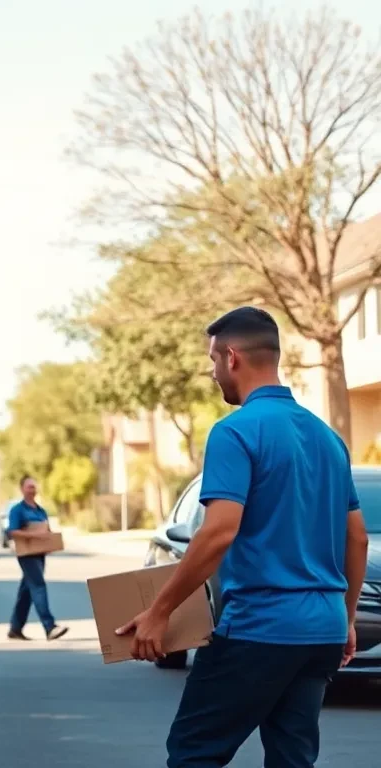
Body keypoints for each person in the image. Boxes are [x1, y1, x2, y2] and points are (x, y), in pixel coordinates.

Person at [117, 306, 370, 768]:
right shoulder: (328, 438)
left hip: (261, 628)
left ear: (232, 357)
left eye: (213, 361)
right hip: (323, 631)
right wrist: (347, 618)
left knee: (195, 751)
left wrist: (159, 612)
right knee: (293, 759)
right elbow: (357, 540)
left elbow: (218, 533)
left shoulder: (235, 432)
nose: (213, 373)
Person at [5, 476, 69, 641]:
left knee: (26, 591)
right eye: (29, 487)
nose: (32, 490)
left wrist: (48, 543)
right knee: (38, 586)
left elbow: (47, 531)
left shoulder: (40, 510)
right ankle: (49, 627)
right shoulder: (17, 510)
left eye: (34, 487)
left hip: (39, 554)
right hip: (26, 555)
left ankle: (15, 628)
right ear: (22, 489)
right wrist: (33, 535)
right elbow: (12, 532)